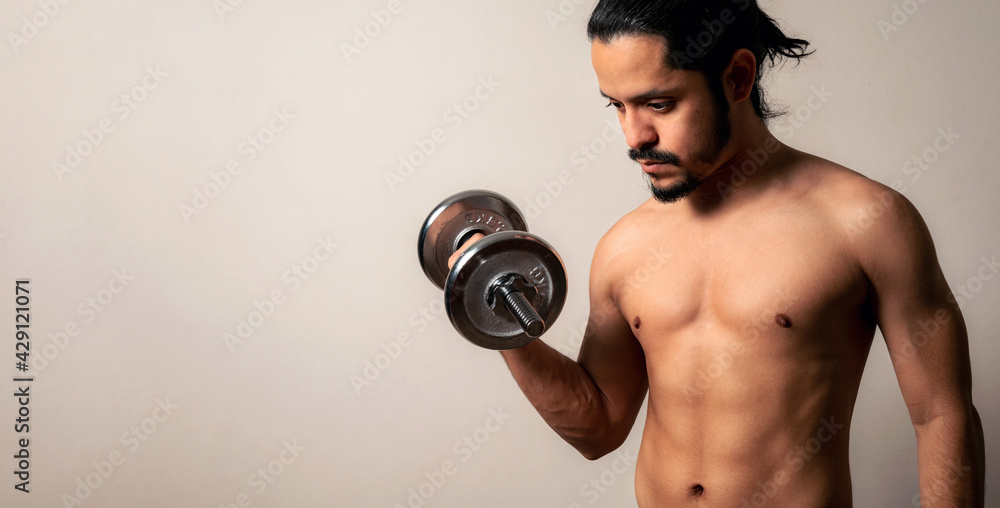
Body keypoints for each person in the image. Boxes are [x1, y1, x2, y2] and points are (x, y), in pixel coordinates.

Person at [454, 1, 984, 505]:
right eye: (618, 106)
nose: (634, 136)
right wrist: (491, 304)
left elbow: (941, 413)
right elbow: (598, 427)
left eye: (658, 104)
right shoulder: (625, 247)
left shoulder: (865, 222)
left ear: (737, 78)